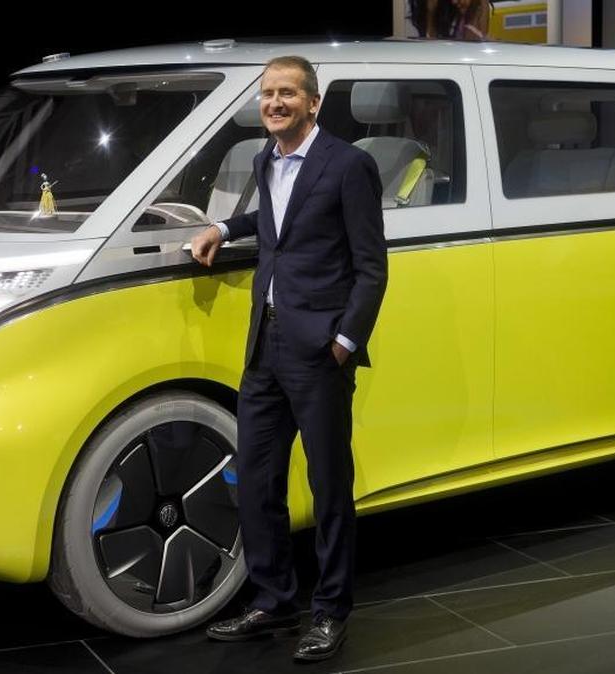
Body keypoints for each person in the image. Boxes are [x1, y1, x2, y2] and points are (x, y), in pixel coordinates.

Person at [191, 55, 387, 661]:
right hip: (265, 344)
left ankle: (330, 611)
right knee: (256, 481)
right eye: (267, 94)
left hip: (319, 351)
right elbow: (272, 218)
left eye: (287, 94)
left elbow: (372, 267)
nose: (274, 103)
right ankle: (273, 599)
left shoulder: (350, 165)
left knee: (329, 487)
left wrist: (344, 342)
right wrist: (223, 228)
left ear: (313, 102)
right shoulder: (265, 159)